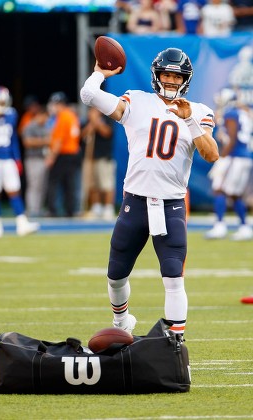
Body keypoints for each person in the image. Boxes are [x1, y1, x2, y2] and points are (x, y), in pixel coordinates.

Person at [80, 48, 219, 339]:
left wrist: (190, 119)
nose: (170, 80)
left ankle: (175, 341)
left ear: (185, 79)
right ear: (157, 75)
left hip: (171, 207)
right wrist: (100, 73)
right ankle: (121, 324)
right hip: (135, 202)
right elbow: (88, 95)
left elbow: (211, 154)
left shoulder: (200, 111)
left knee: (173, 277)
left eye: (176, 75)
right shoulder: (137, 101)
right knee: (116, 275)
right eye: (166, 74)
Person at [0, 86, 39, 238]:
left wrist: (17, 158)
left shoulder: (11, 115)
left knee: (14, 190)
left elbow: (13, 140)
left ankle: (21, 223)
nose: (2, 105)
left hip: (8, 159)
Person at [205, 88, 253, 241]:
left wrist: (222, 157)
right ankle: (244, 227)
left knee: (219, 189)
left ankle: (220, 226)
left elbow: (232, 138)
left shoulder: (231, 113)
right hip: (242, 156)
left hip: (235, 156)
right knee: (234, 194)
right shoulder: (241, 113)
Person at [45, 92, 81, 217]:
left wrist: (51, 157)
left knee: (54, 182)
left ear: (60, 104)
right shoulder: (72, 115)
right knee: (70, 183)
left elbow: (59, 140)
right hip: (73, 153)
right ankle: (70, 210)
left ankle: (53, 210)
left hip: (63, 153)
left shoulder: (63, 116)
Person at [81, 108, 116, 220]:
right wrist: (91, 123)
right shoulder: (87, 121)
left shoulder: (107, 119)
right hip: (91, 158)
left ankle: (108, 208)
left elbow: (107, 132)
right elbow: (82, 135)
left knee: (106, 184)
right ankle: (96, 207)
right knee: (93, 184)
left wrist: (96, 121)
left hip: (104, 157)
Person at [22, 105, 50, 217]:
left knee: (42, 186)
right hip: (32, 159)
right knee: (33, 184)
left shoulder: (44, 127)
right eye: (45, 117)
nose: (46, 119)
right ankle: (31, 209)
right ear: (39, 115)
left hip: (43, 158)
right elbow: (27, 142)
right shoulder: (30, 126)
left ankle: (38, 208)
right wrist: (44, 141)